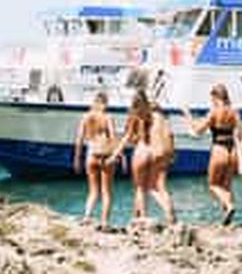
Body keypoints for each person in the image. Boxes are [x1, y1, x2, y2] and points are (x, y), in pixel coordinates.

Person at [183, 84, 242, 224]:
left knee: (213, 185)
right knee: (226, 186)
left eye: (212, 98)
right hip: (232, 151)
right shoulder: (235, 112)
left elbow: (198, 131)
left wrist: (188, 116)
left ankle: (229, 206)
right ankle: (227, 219)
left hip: (219, 150)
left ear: (216, 97)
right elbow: (241, 135)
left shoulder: (213, 112)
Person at [73, 91, 116, 228]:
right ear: (105, 103)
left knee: (93, 191)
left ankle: (87, 217)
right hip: (106, 154)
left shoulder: (86, 117)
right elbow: (113, 137)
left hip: (91, 155)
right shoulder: (108, 117)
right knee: (106, 191)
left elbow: (79, 139)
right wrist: (119, 155)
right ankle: (104, 222)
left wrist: (77, 158)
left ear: (94, 102)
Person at [112, 89, 157, 220]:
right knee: (146, 187)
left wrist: (115, 154)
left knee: (139, 189)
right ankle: (137, 217)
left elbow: (128, 137)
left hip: (141, 151)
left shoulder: (134, 115)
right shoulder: (151, 115)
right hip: (152, 151)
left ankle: (141, 218)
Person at [149, 101, 176, 223]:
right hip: (166, 152)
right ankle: (171, 213)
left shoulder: (151, 119)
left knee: (150, 187)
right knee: (162, 186)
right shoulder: (165, 120)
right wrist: (172, 153)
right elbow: (171, 136)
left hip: (155, 152)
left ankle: (167, 211)